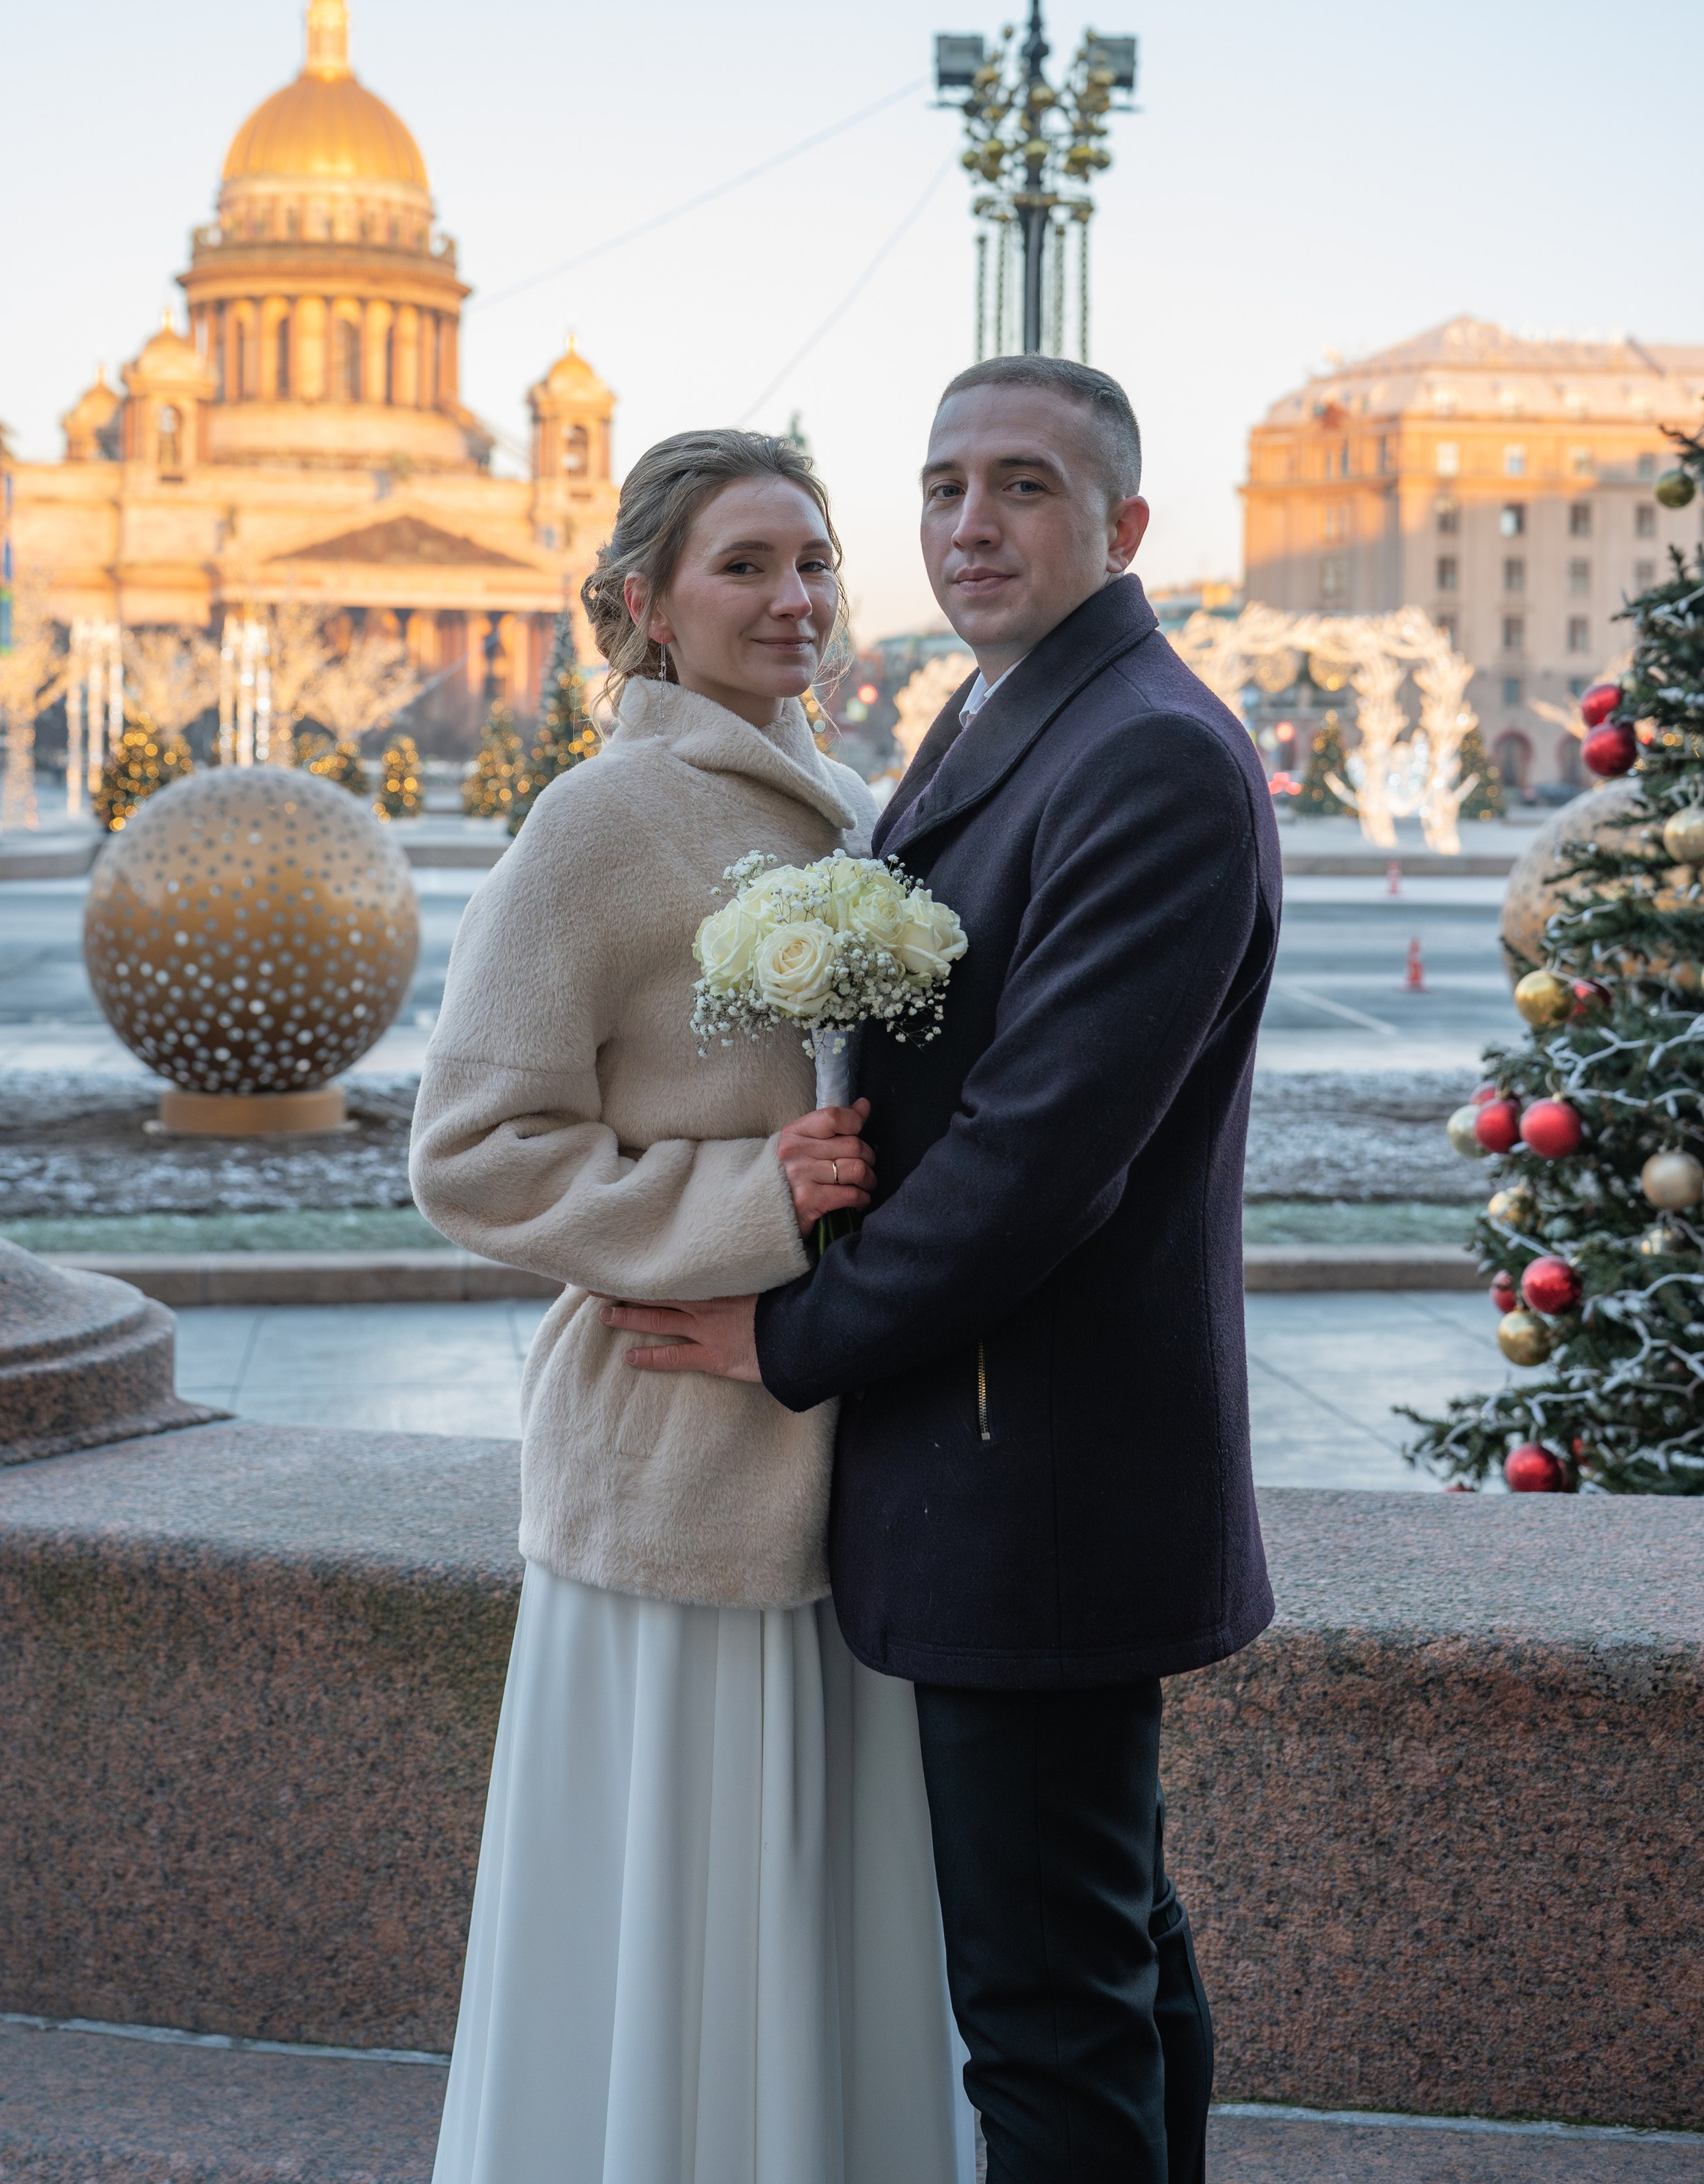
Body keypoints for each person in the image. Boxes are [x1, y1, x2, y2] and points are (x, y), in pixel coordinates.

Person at [606, 355, 1281, 2184]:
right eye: (941, 487)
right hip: (999, 1462)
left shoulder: (1140, 748)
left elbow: (1029, 1163)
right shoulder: (1008, 712)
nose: (967, 524)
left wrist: (785, 1329)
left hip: (1033, 1471)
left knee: (1045, 2013)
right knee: (1107, 1949)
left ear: (1123, 525)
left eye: (1022, 487)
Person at [411, 428, 972, 2184]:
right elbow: (473, 1148)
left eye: (810, 559)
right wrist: (753, 1198)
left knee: (818, 1907)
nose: (793, 596)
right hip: (672, 1459)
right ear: (643, 603)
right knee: (687, 1910)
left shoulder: (839, 786)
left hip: (830, 1454)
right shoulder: (597, 818)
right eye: (743, 564)